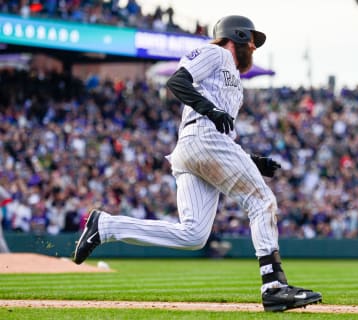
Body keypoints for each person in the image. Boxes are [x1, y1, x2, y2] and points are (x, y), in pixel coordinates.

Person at [72, 15, 322, 312]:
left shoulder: (236, 84)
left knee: (193, 235)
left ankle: (106, 226)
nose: (254, 46)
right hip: (200, 139)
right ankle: (274, 286)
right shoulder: (214, 52)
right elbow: (177, 81)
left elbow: (222, 134)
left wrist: (252, 161)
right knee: (261, 200)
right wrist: (210, 109)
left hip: (198, 148)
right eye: (251, 40)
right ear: (237, 36)